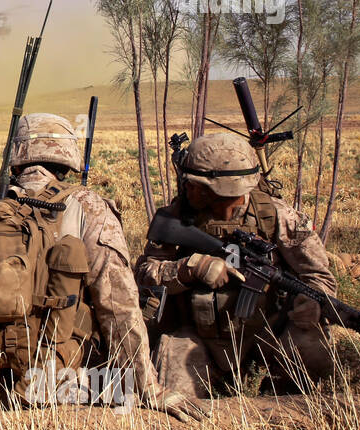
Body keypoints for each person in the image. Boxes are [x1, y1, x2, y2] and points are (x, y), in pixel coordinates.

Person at [0, 113, 208, 423]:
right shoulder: (86, 206)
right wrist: (150, 389)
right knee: (123, 388)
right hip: (46, 386)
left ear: (15, 157)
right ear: (68, 157)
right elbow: (117, 304)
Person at [135, 132, 336, 398]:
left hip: (266, 333)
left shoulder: (277, 215)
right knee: (176, 400)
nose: (186, 187)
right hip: (196, 335)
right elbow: (145, 274)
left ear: (221, 189)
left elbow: (319, 275)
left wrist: (314, 302)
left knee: (312, 346)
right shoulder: (176, 216)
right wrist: (190, 268)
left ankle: (279, 400)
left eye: (194, 183)